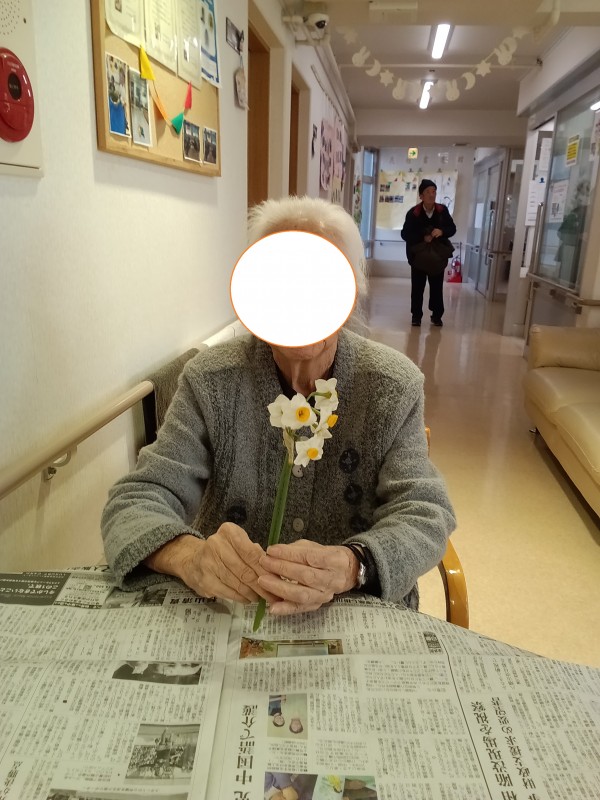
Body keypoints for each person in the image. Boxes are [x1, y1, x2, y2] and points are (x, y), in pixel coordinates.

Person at [101, 195, 456, 616]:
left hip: (352, 609)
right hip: (232, 612)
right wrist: (189, 556)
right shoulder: (210, 379)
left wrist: (353, 565)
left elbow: (425, 512)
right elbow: (136, 499)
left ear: (350, 294)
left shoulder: (392, 385)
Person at [401, 179, 456, 327]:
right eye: (428, 192)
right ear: (421, 196)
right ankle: (416, 316)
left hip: (437, 258)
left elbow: (452, 229)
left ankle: (437, 316)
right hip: (418, 258)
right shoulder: (413, 213)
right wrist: (422, 236)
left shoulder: (442, 211)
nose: (432, 195)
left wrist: (442, 231)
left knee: (437, 288)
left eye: (434, 191)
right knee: (417, 288)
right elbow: (405, 234)